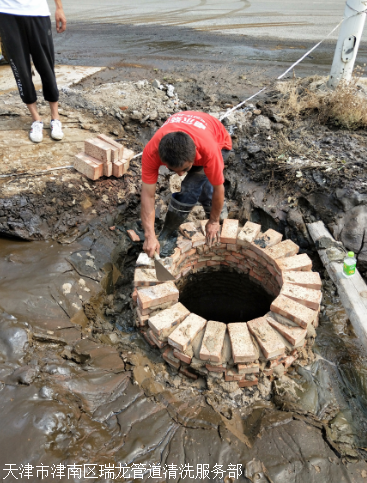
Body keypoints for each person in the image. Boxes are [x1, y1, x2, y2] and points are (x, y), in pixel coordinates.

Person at [141, 111, 232, 258]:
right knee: (203, 183)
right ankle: (169, 232)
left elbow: (218, 188)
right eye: (173, 170)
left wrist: (214, 221)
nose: (180, 175)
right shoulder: (151, 152)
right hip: (193, 139)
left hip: (220, 142)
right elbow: (147, 194)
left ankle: (217, 218)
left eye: (185, 169)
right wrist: (149, 235)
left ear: (195, 155)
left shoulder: (210, 151)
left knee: (192, 187)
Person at [0, 0, 66, 143]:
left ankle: (55, 117)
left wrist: (59, 8)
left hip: (38, 13)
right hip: (7, 14)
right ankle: (36, 119)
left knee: (46, 67)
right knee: (21, 69)